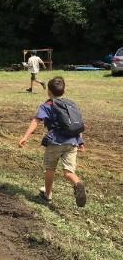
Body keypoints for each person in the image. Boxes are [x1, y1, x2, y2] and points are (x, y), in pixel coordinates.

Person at [18, 76, 87, 207]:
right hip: (72, 141)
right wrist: (81, 142)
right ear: (64, 91)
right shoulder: (71, 104)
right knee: (68, 172)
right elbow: (78, 124)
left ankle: (47, 195)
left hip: (55, 142)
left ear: (49, 92)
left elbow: (36, 121)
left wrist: (25, 136)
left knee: (50, 169)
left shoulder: (47, 105)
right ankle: (77, 183)